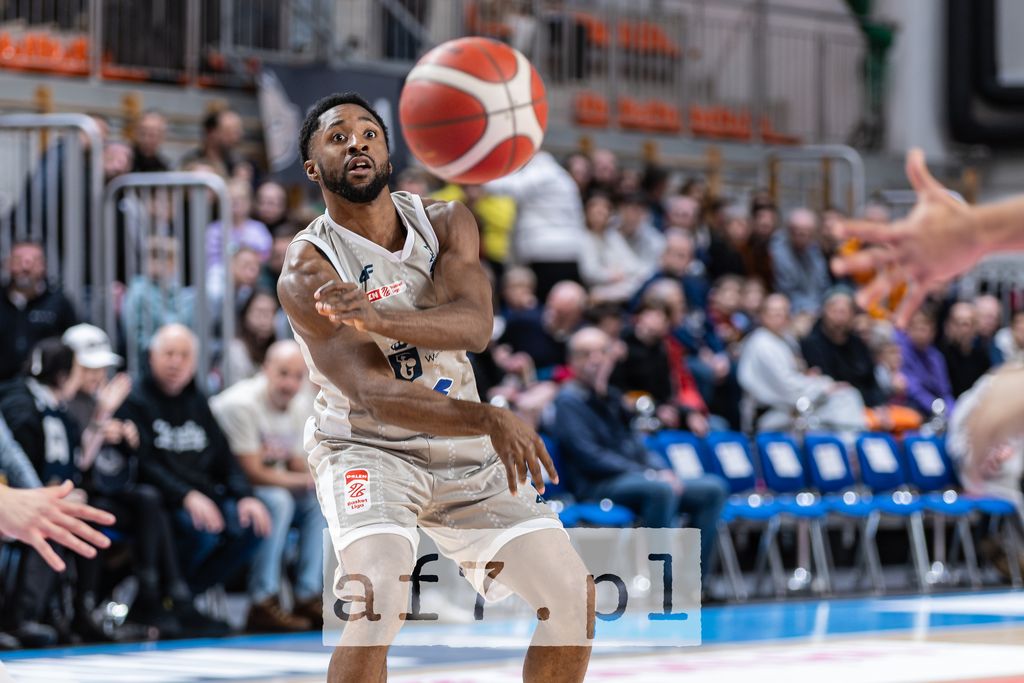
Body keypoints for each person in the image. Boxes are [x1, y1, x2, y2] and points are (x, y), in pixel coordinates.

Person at [279, 92, 591, 682]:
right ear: (313, 168)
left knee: (574, 599)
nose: (357, 144)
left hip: (462, 445)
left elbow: (474, 327)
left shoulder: (445, 221)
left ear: (388, 155)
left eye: (369, 134)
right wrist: (488, 418)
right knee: (378, 601)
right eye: (338, 137)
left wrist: (378, 318)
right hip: (369, 447)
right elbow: (376, 395)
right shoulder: (309, 269)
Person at [553, 327, 727, 578]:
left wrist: (661, 469)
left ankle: (694, 582)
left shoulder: (612, 398)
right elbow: (589, 456)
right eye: (586, 354)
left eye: (601, 352)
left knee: (713, 489)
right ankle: (662, 583)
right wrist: (648, 474)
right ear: (571, 361)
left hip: (635, 479)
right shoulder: (568, 401)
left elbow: (637, 444)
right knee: (660, 490)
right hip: (597, 485)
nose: (596, 360)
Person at [117, 324, 270, 596]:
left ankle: (187, 596)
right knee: (202, 533)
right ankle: (171, 598)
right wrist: (186, 496)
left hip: (205, 495)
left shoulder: (197, 400)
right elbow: (144, 465)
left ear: (194, 362)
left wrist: (245, 496)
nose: (176, 362)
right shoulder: (135, 401)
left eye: (184, 355)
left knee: (253, 526)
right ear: (151, 356)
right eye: (169, 354)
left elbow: (225, 457)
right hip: (166, 502)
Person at [211, 340, 325, 632]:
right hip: (226, 489)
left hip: (268, 484)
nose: (290, 384)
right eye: (283, 374)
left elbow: (297, 461)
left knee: (317, 501)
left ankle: (307, 595)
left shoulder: (300, 404)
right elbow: (251, 472)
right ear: (265, 370)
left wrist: (317, 478)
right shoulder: (240, 404)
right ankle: (263, 600)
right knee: (278, 501)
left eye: (297, 376)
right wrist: (305, 479)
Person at [737, 294, 867, 433]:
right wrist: (823, 386)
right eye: (775, 313)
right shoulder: (761, 343)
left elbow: (796, 373)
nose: (781, 316)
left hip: (794, 406)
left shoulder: (786, 339)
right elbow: (785, 385)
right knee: (845, 398)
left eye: (784, 312)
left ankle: (851, 443)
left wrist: (811, 378)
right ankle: (850, 444)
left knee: (847, 394)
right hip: (773, 412)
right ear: (763, 315)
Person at [0, 241, 78, 381]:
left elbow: (74, 341)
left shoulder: (58, 302)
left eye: (33, 261)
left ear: (43, 266)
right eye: (18, 260)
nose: (25, 267)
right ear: (8, 264)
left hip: (45, 385)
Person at [940, 301, 993, 397]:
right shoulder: (939, 357)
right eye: (958, 323)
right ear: (948, 326)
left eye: (969, 324)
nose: (964, 329)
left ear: (976, 327)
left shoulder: (982, 358)